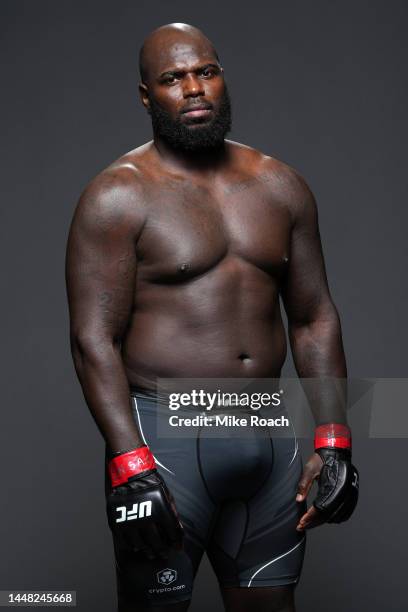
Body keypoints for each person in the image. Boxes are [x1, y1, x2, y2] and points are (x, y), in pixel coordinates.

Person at [65, 22, 358, 612]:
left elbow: (314, 317)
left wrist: (335, 438)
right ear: (148, 95)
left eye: (206, 72)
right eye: (173, 78)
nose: (194, 88)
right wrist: (128, 463)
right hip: (164, 441)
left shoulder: (281, 186)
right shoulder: (117, 196)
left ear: (223, 78)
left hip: (267, 434)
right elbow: (93, 338)